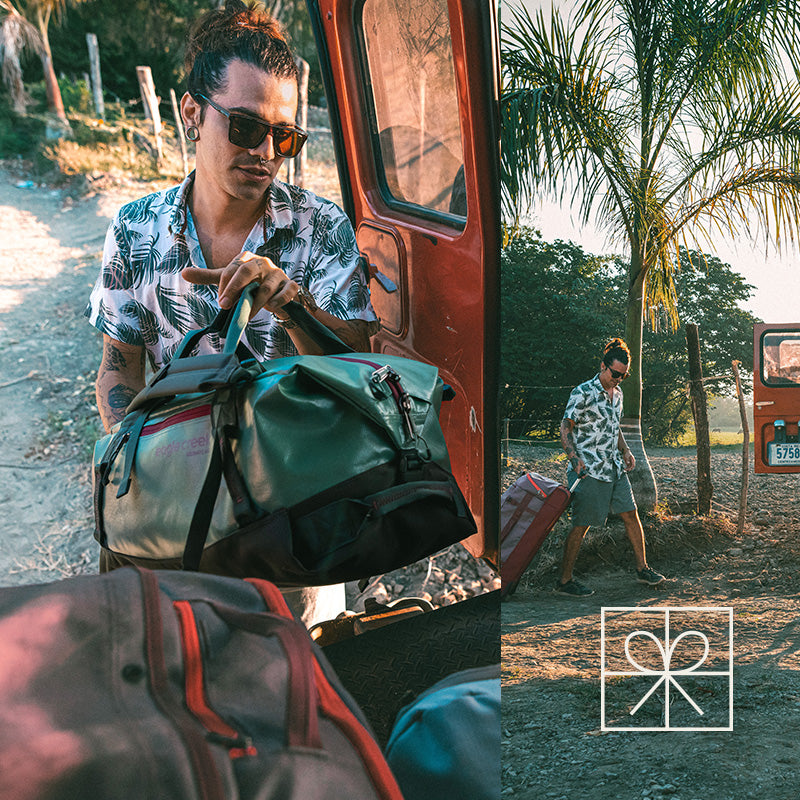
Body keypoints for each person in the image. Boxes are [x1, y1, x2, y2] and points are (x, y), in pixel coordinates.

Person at [85, 0, 379, 626]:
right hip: (171, 509)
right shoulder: (137, 228)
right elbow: (119, 365)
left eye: (285, 135)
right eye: (245, 128)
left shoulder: (318, 228)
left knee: (291, 686)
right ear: (193, 112)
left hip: (287, 517)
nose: (267, 151)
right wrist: (130, 479)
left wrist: (291, 302)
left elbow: (358, 368)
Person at [554, 338, 665, 597]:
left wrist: (625, 450)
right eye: (615, 374)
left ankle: (642, 569)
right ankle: (564, 581)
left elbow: (613, 428)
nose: (618, 379)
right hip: (589, 471)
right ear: (603, 366)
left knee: (631, 514)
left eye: (623, 376)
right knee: (581, 525)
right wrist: (573, 458)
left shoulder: (619, 395)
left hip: (614, 468)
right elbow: (565, 427)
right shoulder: (582, 392)